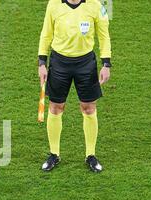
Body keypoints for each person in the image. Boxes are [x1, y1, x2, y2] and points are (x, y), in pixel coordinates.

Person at [38, 0, 112, 172]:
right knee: (56, 107)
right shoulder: (54, 4)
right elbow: (46, 34)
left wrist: (106, 64)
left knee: (88, 108)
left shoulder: (96, 5)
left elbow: (104, 35)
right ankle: (54, 154)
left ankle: (90, 155)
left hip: (85, 63)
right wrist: (42, 62)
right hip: (59, 62)